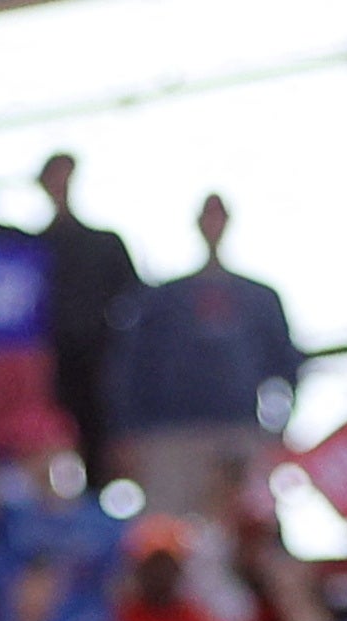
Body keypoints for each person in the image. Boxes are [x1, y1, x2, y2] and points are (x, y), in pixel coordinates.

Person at [105, 195, 301, 527]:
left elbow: (286, 368)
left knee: (247, 528)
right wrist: (128, 433)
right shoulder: (161, 300)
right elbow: (130, 368)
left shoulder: (260, 298)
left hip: (239, 429)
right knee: (166, 532)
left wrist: (277, 430)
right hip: (171, 435)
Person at [30, 153, 144, 488]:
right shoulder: (35, 247)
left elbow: (136, 304)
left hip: (99, 369)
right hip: (48, 370)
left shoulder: (104, 245)